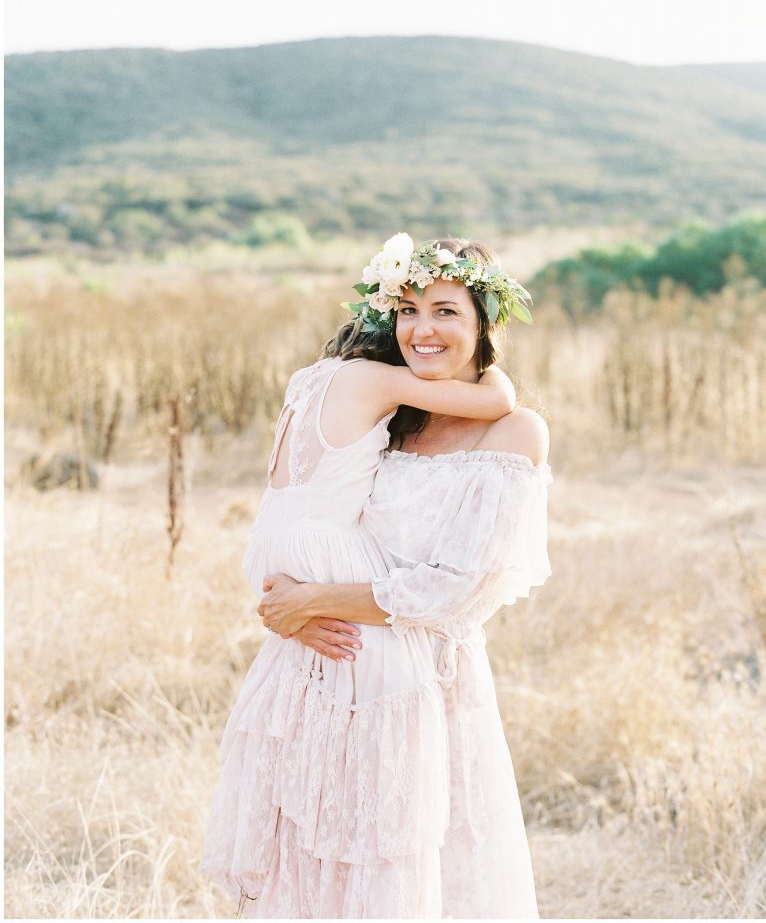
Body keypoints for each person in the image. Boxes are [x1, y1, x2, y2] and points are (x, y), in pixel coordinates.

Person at [198, 232, 531, 918]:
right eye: (407, 310)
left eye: (446, 311)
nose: (422, 328)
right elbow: (312, 520)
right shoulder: (396, 420)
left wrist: (311, 598)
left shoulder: (512, 430)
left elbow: (457, 589)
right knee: (319, 856)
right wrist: (287, 607)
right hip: (338, 663)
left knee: (414, 868)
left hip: (427, 674)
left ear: (485, 322)